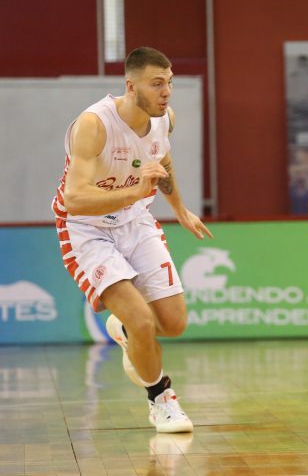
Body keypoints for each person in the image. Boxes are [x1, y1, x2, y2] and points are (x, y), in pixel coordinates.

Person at [51, 46, 212, 432]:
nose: (166, 92)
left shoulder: (164, 119)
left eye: (169, 82)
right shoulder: (94, 124)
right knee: (141, 320)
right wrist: (135, 192)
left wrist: (180, 210)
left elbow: (163, 161)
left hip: (135, 222)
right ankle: (161, 400)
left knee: (173, 324)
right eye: (156, 84)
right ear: (131, 85)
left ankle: (124, 331)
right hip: (86, 229)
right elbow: (75, 198)